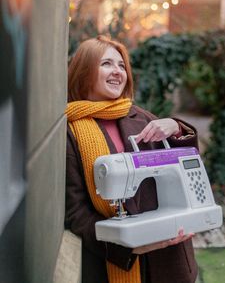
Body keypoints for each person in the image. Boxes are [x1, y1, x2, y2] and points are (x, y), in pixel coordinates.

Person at [65, 35, 199, 283]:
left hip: (169, 257)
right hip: (116, 261)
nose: (117, 71)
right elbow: (76, 212)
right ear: (84, 71)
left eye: (121, 65)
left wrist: (177, 128)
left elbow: (189, 173)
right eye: (106, 63)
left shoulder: (143, 118)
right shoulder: (70, 133)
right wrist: (128, 247)